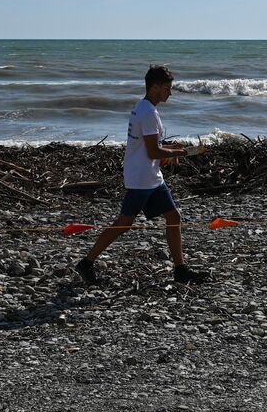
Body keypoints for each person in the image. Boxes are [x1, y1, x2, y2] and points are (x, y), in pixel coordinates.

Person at [75, 65, 209, 285]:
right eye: (167, 88)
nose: (170, 93)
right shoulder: (147, 112)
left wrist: (172, 147)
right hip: (141, 179)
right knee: (124, 224)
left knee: (173, 217)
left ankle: (180, 270)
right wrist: (183, 152)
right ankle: (86, 263)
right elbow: (153, 152)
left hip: (151, 176)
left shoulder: (145, 108)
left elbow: (152, 145)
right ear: (154, 87)